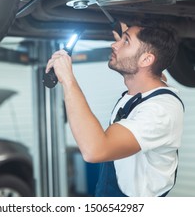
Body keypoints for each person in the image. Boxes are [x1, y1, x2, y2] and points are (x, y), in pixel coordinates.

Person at [45, 21, 184, 197]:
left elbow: (94, 150)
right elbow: (152, 71)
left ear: (147, 59)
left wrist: (67, 79)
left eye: (126, 41)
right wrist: (127, 46)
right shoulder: (142, 89)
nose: (114, 44)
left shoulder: (159, 111)